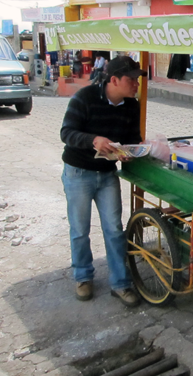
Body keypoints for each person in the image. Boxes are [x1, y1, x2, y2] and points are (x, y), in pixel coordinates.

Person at [60, 56, 145, 307]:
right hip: (78, 172)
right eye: (131, 79)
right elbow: (66, 133)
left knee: (114, 229)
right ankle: (83, 276)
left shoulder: (132, 105)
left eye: (137, 79)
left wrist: (131, 152)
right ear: (115, 79)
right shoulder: (84, 98)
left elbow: (133, 137)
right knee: (80, 229)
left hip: (108, 173)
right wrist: (93, 140)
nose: (136, 84)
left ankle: (120, 283)